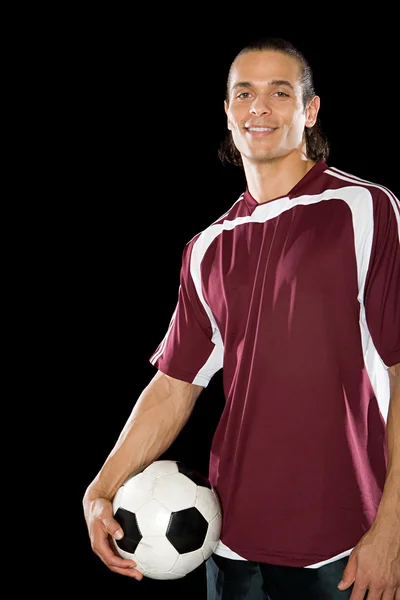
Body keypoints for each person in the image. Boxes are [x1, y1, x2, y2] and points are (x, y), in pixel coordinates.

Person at [83, 37, 400, 599]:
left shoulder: (365, 210)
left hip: (344, 544)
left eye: (279, 92)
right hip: (229, 546)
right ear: (227, 114)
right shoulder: (207, 246)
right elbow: (175, 385)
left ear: (309, 109)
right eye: (244, 94)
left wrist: (393, 529)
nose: (260, 107)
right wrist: (99, 490)